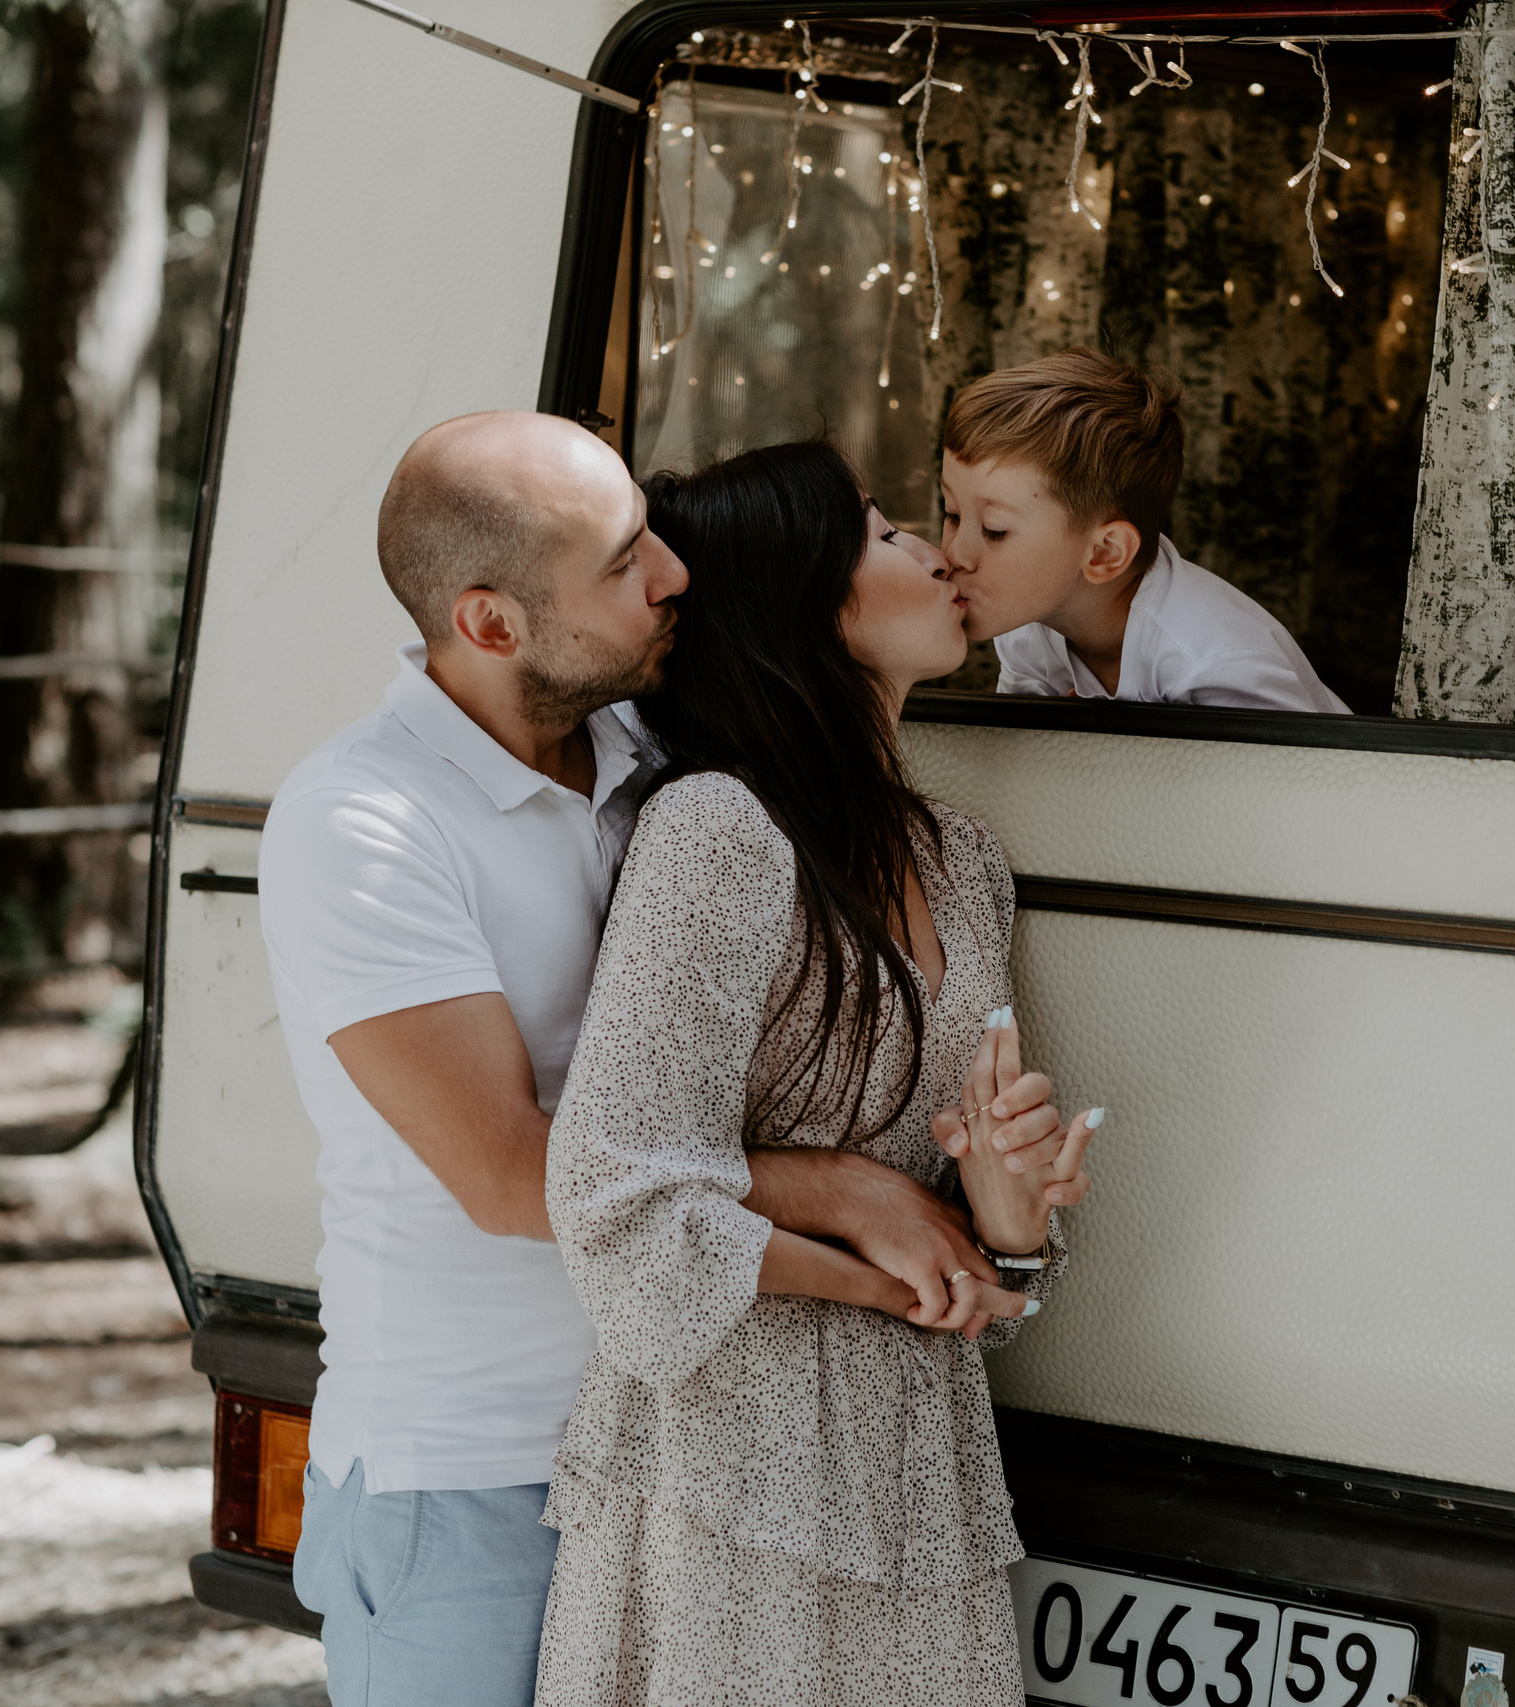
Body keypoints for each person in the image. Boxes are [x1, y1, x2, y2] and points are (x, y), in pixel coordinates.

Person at [256, 413, 1062, 1707]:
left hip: (694, 1418)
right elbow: (530, 1175)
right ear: (493, 621)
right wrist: (845, 1194)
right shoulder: (364, 820)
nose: (672, 573)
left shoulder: (650, 766)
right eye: (626, 561)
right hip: (471, 1462)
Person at [536, 441, 1104, 1707]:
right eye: (887, 531)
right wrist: (856, 1210)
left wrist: (1007, 1210)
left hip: (917, 1449)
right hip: (733, 1450)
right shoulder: (719, 832)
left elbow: (974, 1244)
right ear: (809, 600)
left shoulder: (963, 859)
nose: (936, 553)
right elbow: (613, 1187)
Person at [938, 346, 1353, 714]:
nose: (955, 552)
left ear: (1105, 553)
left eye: (994, 531)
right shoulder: (1027, 630)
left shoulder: (1215, 665)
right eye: (952, 514)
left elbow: (1300, 794)